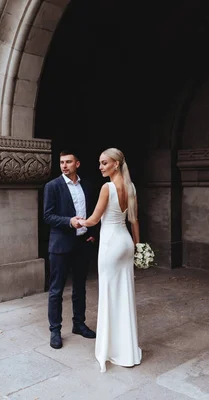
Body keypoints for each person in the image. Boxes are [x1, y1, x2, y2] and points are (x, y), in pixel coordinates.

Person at [78, 148, 142, 372]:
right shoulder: (131, 186)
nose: (100, 167)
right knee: (124, 294)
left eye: (104, 163)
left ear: (116, 164)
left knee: (109, 295)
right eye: (99, 163)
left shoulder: (108, 187)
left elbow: (95, 219)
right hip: (125, 243)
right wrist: (138, 245)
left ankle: (110, 349)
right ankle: (128, 349)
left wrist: (77, 222)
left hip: (110, 244)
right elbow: (134, 220)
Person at [43, 150, 98, 349]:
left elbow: (92, 212)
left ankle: (79, 324)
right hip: (60, 245)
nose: (64, 165)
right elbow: (47, 216)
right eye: (61, 162)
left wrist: (91, 232)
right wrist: (69, 221)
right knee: (56, 290)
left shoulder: (87, 186)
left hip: (82, 244)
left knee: (80, 287)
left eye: (68, 162)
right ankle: (55, 330)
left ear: (78, 164)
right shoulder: (52, 186)